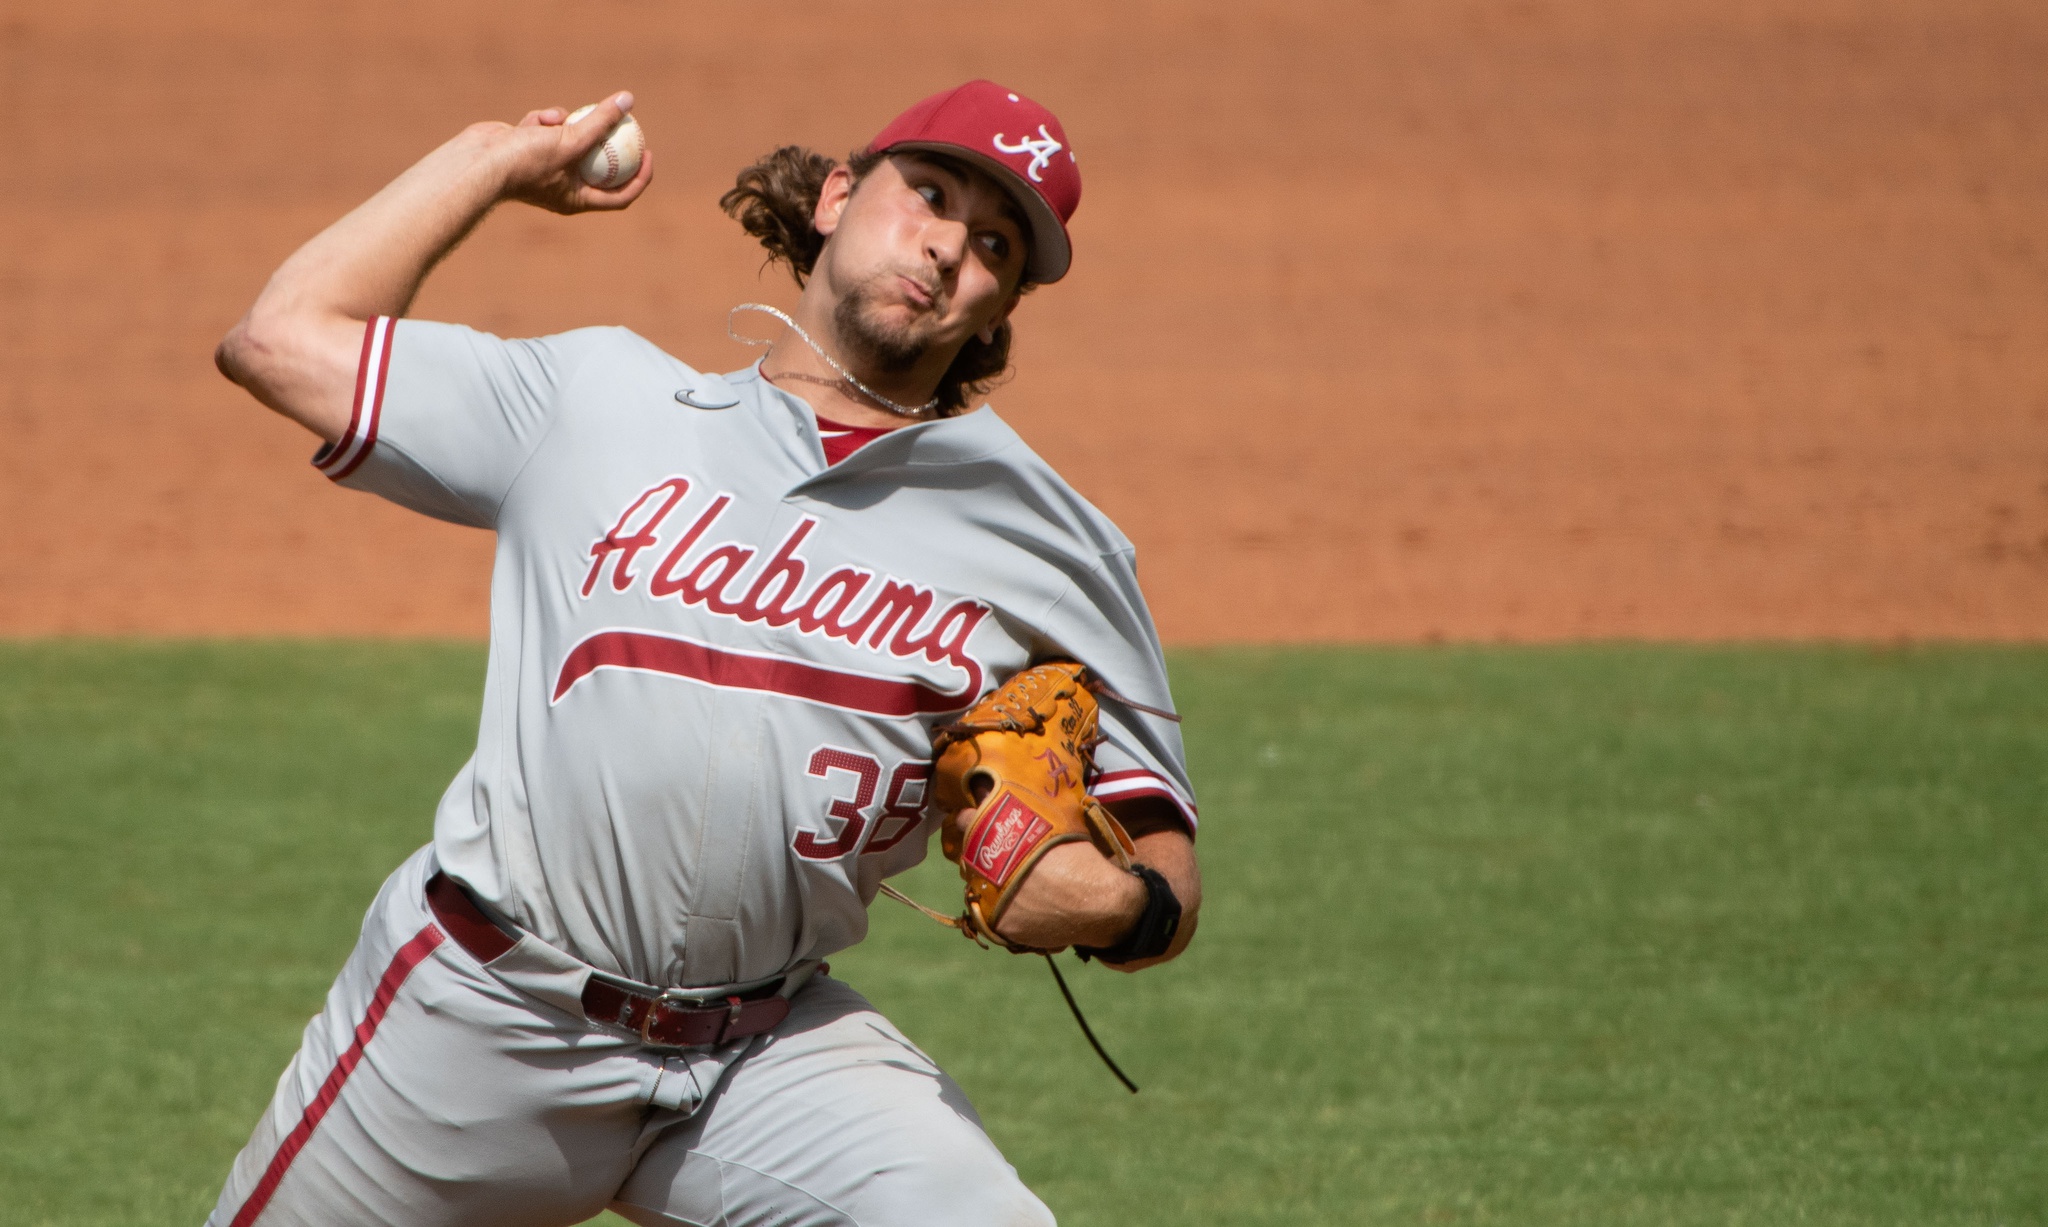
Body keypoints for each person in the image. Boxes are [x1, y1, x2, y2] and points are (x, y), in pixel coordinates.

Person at [207, 79, 1200, 1227]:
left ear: (997, 309)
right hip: (481, 1026)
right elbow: (277, 342)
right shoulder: (594, 401)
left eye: (991, 245)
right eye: (926, 194)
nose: (943, 246)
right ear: (834, 197)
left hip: (765, 1060)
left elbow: (1166, 862)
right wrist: (490, 160)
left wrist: (1115, 909)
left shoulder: (1052, 542)